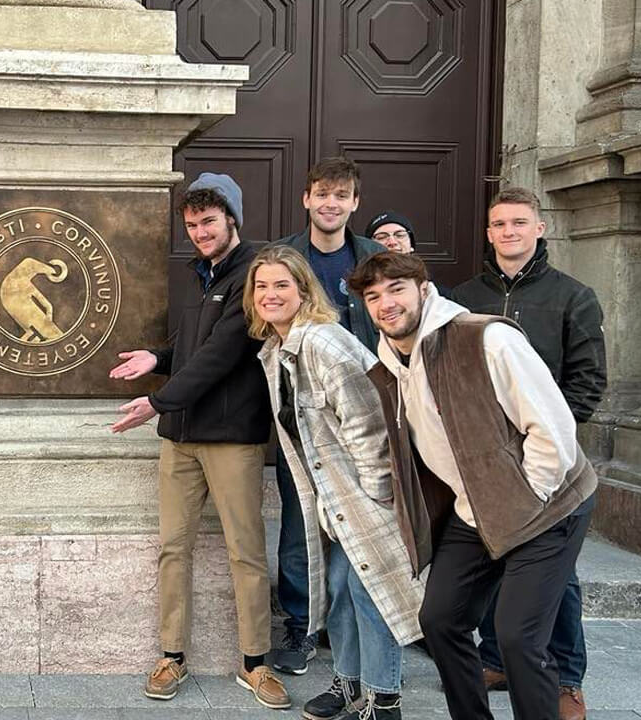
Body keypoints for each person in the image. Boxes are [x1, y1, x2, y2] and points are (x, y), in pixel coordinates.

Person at [352, 251, 597, 720]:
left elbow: (554, 429)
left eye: (396, 289)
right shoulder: (392, 361)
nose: (386, 303)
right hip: (477, 507)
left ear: (424, 290)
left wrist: (528, 496)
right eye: (373, 296)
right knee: (440, 620)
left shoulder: (485, 339)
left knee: (518, 636)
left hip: (549, 505)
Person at [110, 173, 287, 709]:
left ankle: (256, 664)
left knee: (246, 553)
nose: (200, 232)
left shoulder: (255, 274)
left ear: (232, 217)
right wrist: (158, 359)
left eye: (209, 221)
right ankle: (171, 656)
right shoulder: (200, 274)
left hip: (231, 438)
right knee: (173, 549)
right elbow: (192, 345)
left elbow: (222, 353)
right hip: (181, 438)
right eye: (192, 224)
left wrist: (158, 399)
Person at [247, 246, 424, 720]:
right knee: (342, 587)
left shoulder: (326, 342)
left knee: (372, 591)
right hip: (332, 493)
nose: (270, 294)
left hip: (367, 489)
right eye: (262, 286)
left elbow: (370, 423)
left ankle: (384, 698)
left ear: (304, 292)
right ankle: (348, 685)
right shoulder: (275, 352)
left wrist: (376, 495)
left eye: (282, 285)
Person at [450, 187, 607, 720]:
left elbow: (587, 383)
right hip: (484, 461)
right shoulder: (463, 298)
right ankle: (495, 659)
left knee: (556, 576)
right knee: (496, 554)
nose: (509, 232)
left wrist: (549, 443)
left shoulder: (572, 296)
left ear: (540, 229)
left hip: (550, 461)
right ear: (488, 233)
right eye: (499, 224)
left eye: (519, 222)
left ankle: (566, 678)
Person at [269, 157, 387, 675]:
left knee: (363, 524)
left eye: (341, 196)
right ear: (307, 199)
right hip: (301, 417)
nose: (330, 203)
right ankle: (301, 628)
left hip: (361, 415)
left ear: (355, 203)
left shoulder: (375, 259)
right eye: (322, 194)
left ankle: (361, 626)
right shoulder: (283, 258)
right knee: (298, 529)